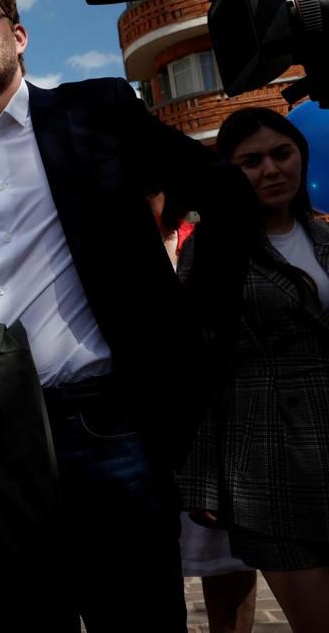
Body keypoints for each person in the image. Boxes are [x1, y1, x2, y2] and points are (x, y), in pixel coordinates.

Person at [0, 0, 255, 631]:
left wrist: (200, 321)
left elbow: (226, 193)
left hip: (112, 429)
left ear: (19, 34)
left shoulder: (98, 111)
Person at [180, 107, 329, 633]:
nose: (270, 169)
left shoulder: (325, 238)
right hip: (266, 460)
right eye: (251, 161)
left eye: (281, 154)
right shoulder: (211, 250)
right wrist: (202, 482)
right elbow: (199, 370)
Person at [150, 190, 258, 633]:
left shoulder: (205, 240)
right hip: (141, 435)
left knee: (229, 562)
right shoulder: (100, 243)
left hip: (214, 430)